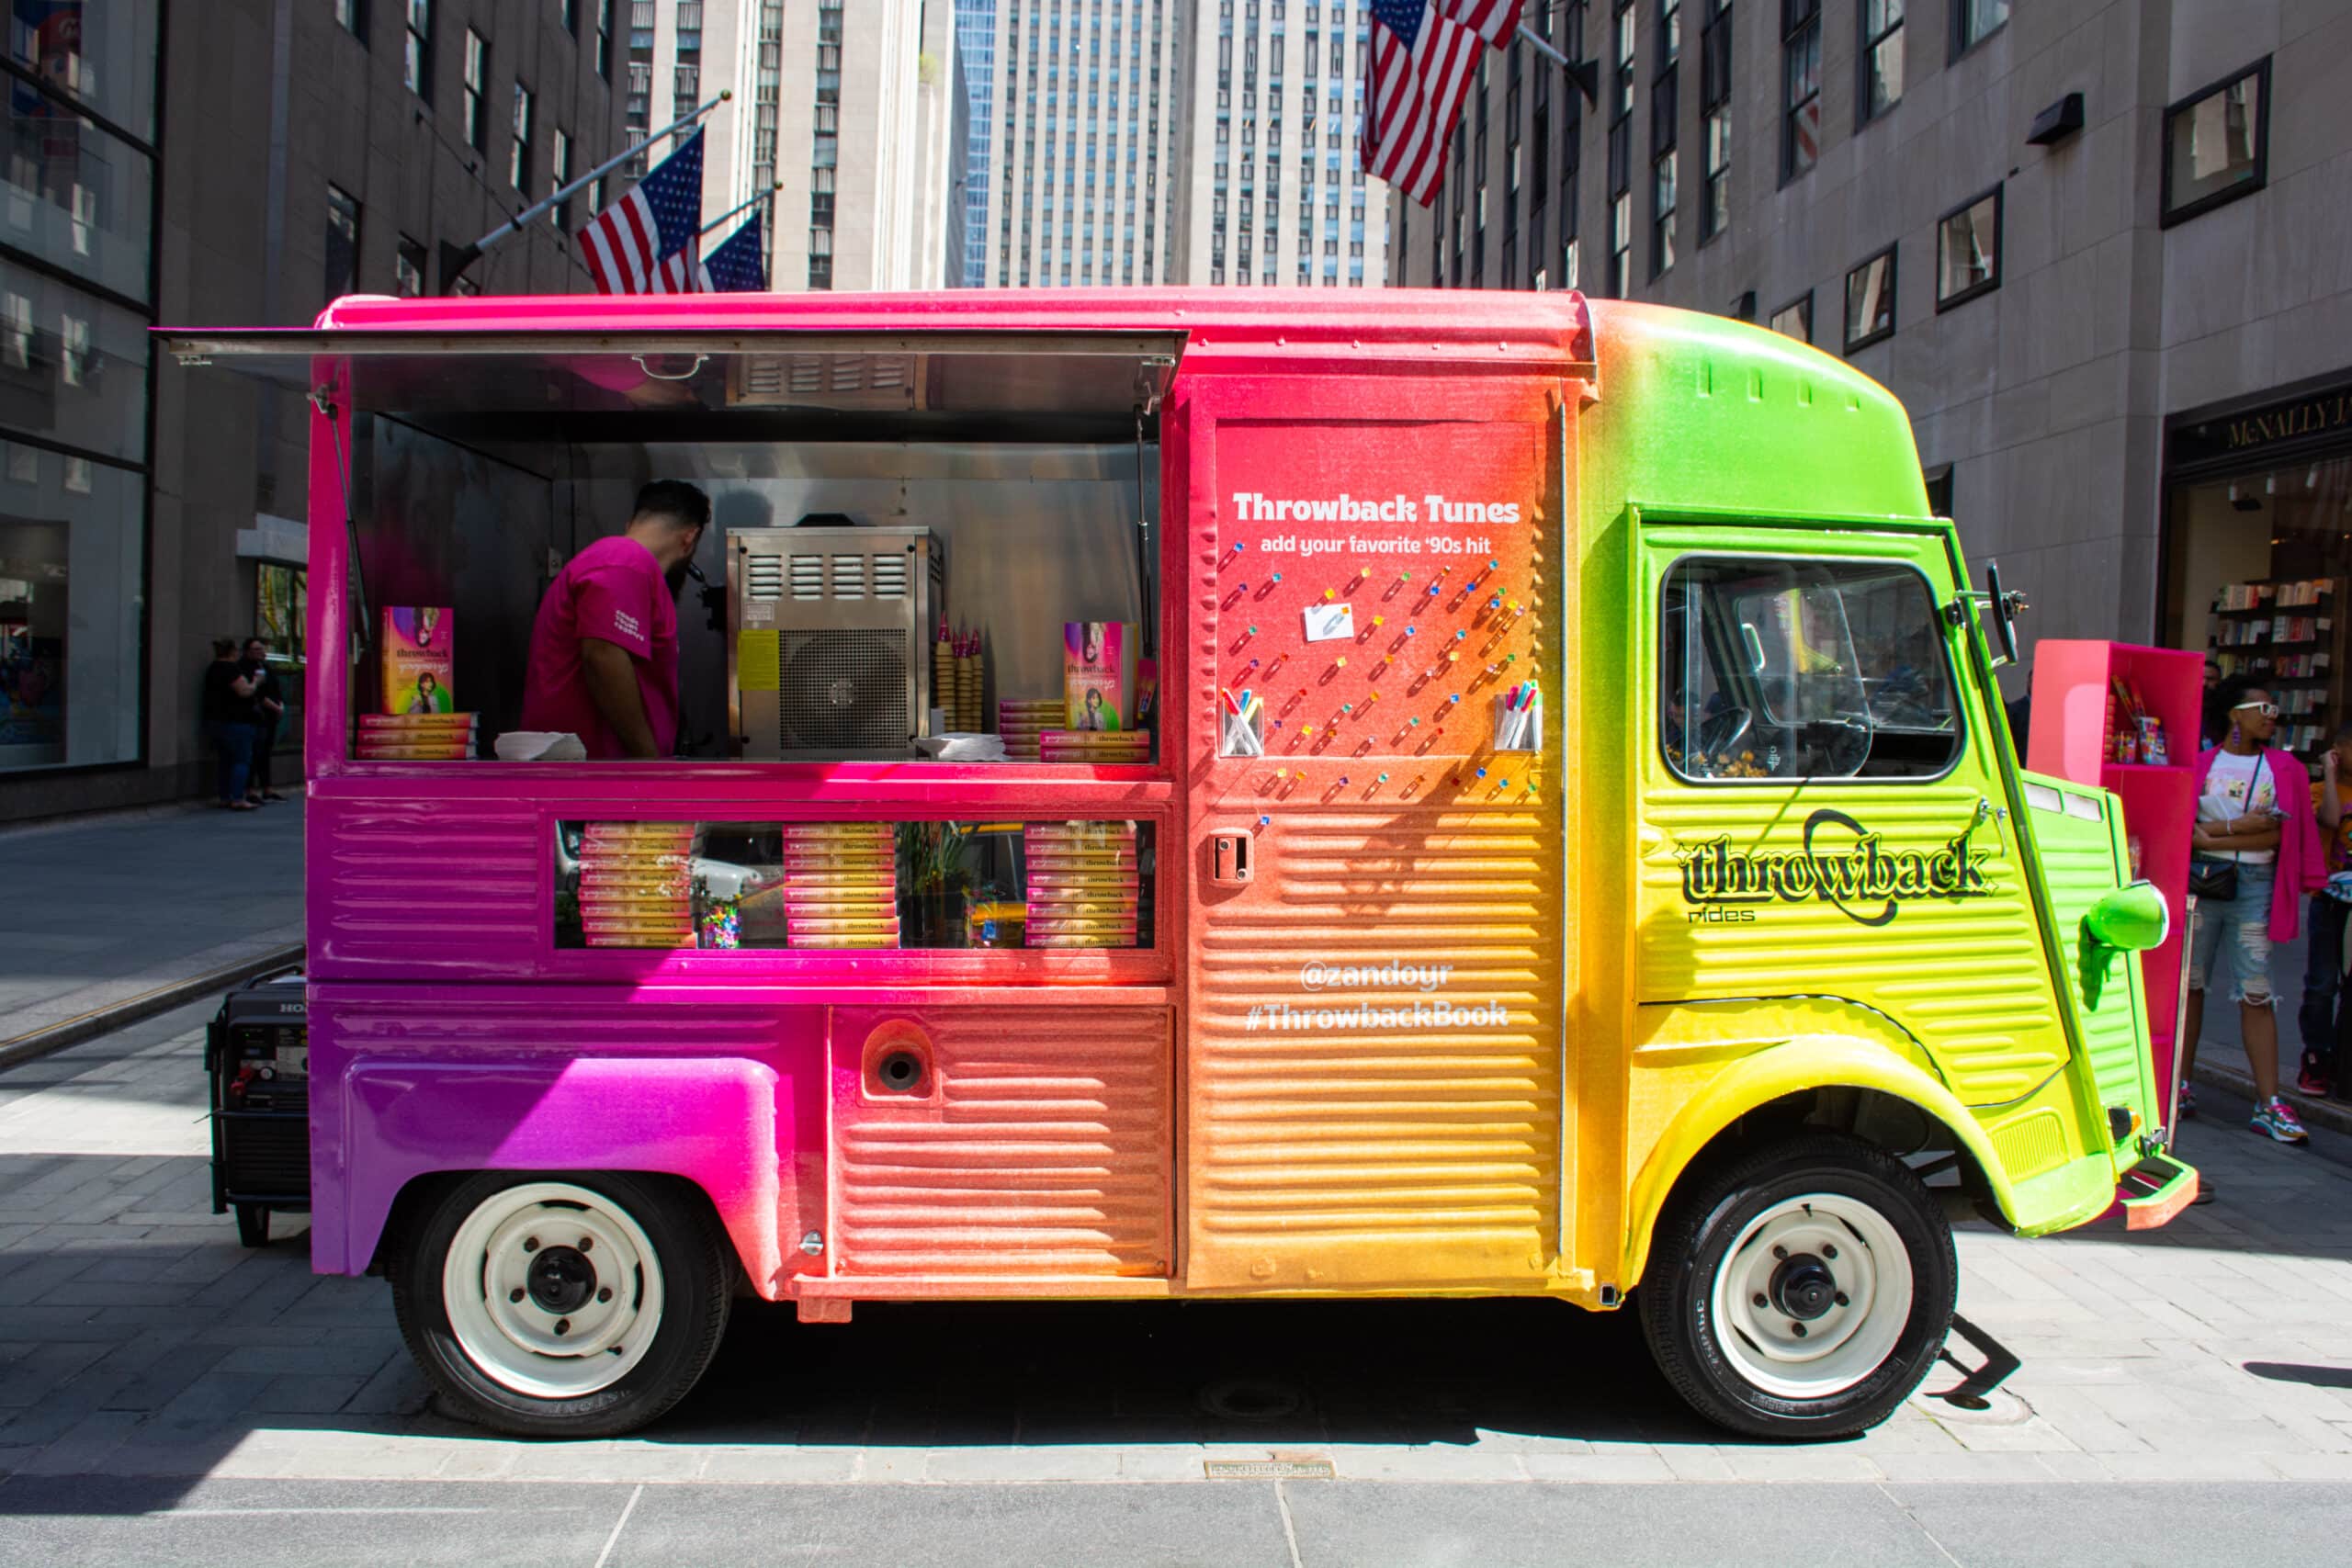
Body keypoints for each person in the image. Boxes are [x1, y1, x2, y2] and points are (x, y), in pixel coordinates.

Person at [2178, 680, 2326, 1143]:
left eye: (2275, 708)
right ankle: (2177, 1087)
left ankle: (2269, 1102)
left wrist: (2214, 833)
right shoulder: (2200, 764)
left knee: (2257, 991)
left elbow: (2276, 836)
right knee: (2189, 986)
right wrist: (2240, 827)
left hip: (2254, 886)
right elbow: (2186, 831)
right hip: (2200, 885)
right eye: (2262, 707)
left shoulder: (2285, 769)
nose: (2272, 715)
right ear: (2233, 715)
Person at [520, 479, 709, 760]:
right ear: (689, 538)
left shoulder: (623, 563)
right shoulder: (624, 559)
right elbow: (602, 656)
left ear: (630, 522)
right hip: (595, 776)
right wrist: (648, 759)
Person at [2296, 720, 2352, 1098]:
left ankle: (2342, 1061)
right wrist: (2329, 775)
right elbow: (2331, 820)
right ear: (2338, 750)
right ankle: (2316, 1057)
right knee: (2321, 984)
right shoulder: (2319, 790)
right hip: (2329, 901)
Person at [201, 637, 260, 812]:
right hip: (237, 721)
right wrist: (256, 682)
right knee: (241, 760)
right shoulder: (231, 669)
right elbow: (244, 691)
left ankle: (225, 796)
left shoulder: (213, 668)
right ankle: (237, 797)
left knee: (225, 760)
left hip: (216, 721)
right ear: (233, 651)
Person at [242, 638, 288, 804]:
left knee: (266, 752)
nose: (260, 652)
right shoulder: (246, 668)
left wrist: (280, 705)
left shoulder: (266, 667)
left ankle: (267, 787)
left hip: (271, 715)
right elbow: (257, 695)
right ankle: (250, 789)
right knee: (255, 752)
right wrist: (275, 707)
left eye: (261, 649)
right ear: (247, 651)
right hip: (257, 716)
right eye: (256, 649)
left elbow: (275, 688)